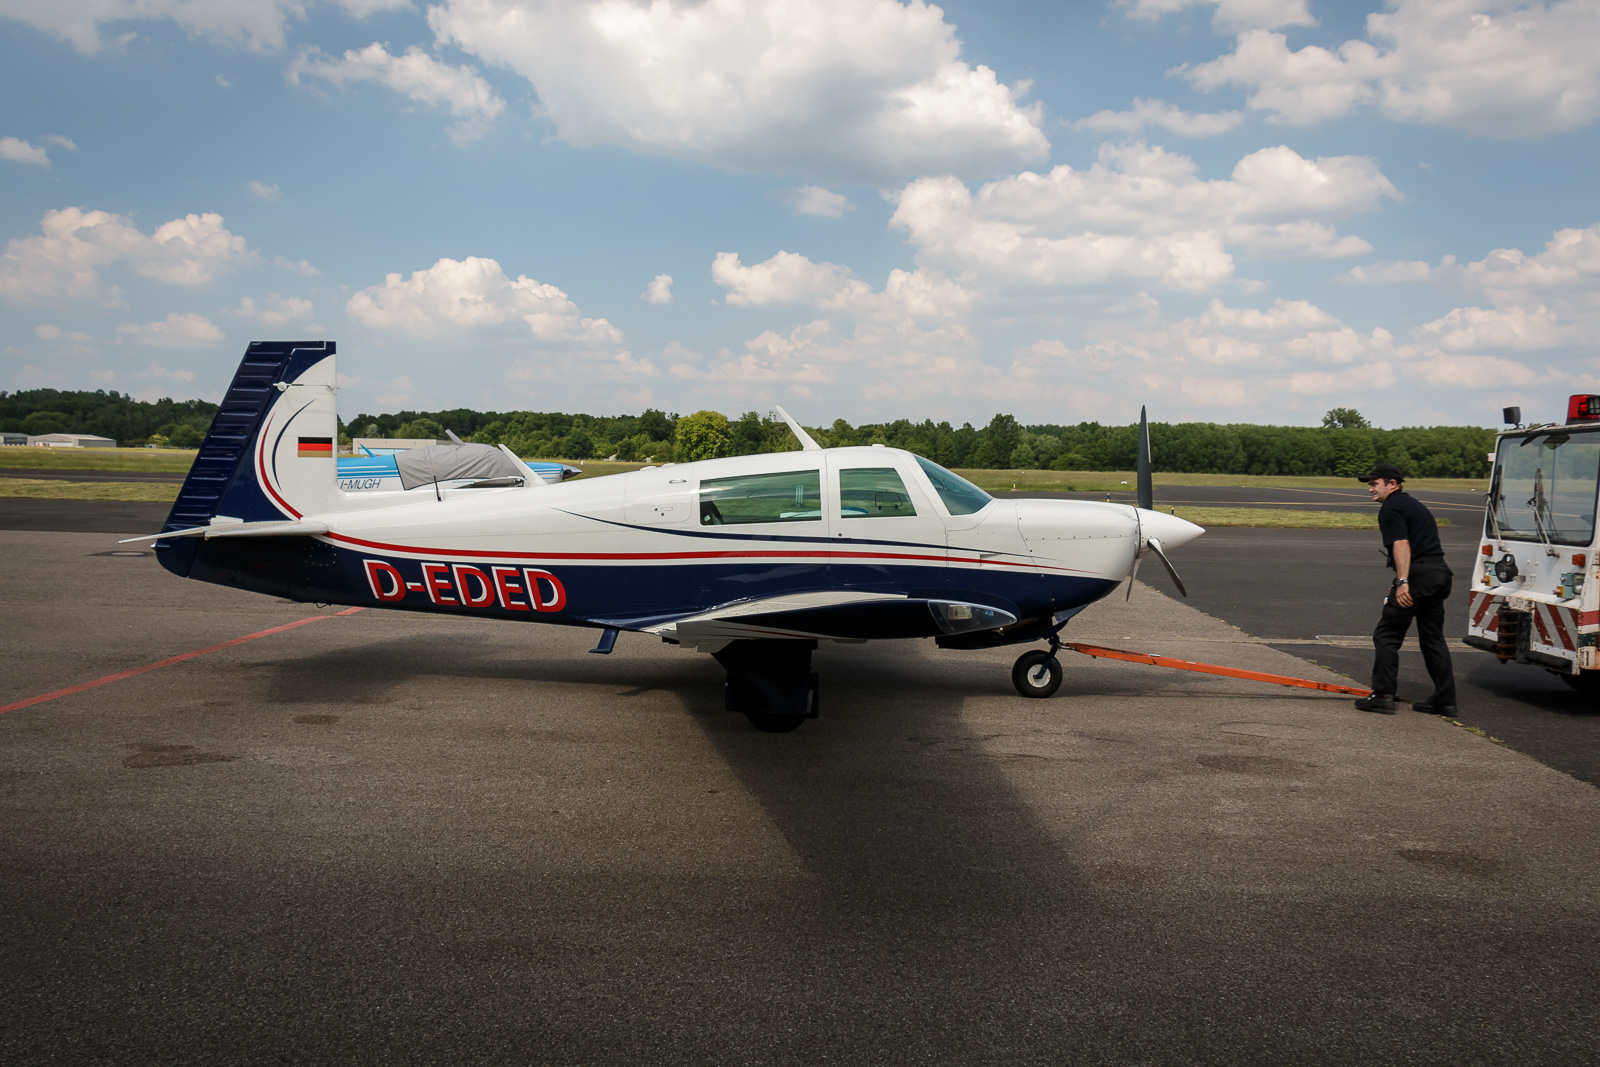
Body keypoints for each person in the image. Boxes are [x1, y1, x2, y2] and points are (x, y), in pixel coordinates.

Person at [1353, 463, 1457, 715]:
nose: (1370, 489)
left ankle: (1382, 695)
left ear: (1392, 484)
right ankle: (1445, 700)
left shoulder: (1391, 507)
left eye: (1374, 484)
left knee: (1387, 635)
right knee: (1432, 639)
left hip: (1419, 575)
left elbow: (1401, 543)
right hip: (1439, 574)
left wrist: (1402, 582)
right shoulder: (1411, 504)